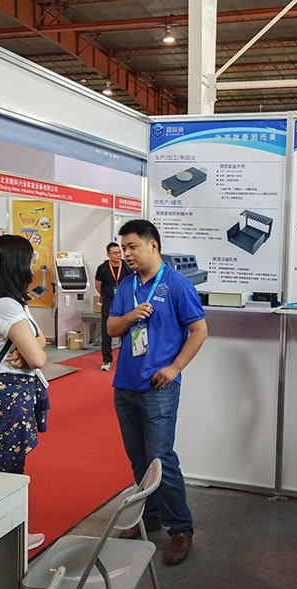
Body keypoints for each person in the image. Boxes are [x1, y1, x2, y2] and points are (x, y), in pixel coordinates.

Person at [107, 219, 208, 565]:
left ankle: (180, 528)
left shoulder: (177, 285)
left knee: (161, 458)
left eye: (132, 247)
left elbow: (199, 330)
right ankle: (149, 516)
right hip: (125, 385)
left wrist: (175, 368)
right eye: (123, 248)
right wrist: (132, 315)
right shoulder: (127, 286)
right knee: (138, 458)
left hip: (158, 388)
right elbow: (112, 327)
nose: (126, 254)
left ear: (153, 245)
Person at [0, 234, 49, 550]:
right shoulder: (5, 306)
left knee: (7, 465)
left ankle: (8, 533)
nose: (32, 267)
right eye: (29, 260)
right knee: (6, 470)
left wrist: (30, 347)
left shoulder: (6, 301)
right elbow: (39, 357)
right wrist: (31, 350)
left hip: (7, 396)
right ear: (14, 265)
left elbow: (40, 339)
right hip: (8, 400)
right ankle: (5, 538)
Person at [95, 242, 132, 371]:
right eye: (115, 253)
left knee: (126, 329)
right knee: (106, 331)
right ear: (108, 254)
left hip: (124, 302)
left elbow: (132, 283)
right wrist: (106, 296)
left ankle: (126, 359)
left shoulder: (127, 266)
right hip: (109, 302)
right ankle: (107, 360)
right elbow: (98, 285)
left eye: (119, 252)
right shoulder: (103, 268)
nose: (118, 255)